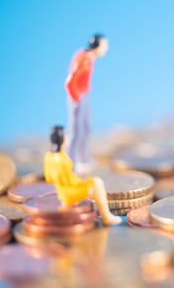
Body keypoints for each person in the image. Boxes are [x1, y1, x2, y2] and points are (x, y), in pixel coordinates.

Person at [44, 125, 122, 226]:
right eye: (66, 136)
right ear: (62, 139)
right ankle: (107, 217)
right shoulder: (61, 159)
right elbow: (70, 181)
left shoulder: (49, 156)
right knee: (97, 184)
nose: (68, 138)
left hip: (61, 191)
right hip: (69, 193)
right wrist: (83, 181)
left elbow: (49, 179)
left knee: (94, 181)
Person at [65, 34, 108, 173]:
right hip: (77, 96)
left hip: (84, 95)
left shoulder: (91, 58)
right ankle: (70, 163)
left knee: (86, 129)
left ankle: (83, 159)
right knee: (76, 131)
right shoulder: (82, 57)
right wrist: (76, 99)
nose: (106, 47)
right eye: (104, 44)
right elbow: (69, 82)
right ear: (98, 45)